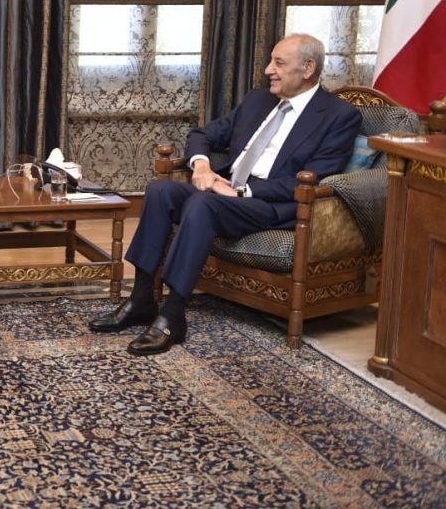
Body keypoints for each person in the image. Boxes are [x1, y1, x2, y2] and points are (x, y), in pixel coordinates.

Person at [89, 33, 361, 354]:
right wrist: (203, 168)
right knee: (160, 190)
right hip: (225, 190)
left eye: (278, 63)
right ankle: (141, 300)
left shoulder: (338, 116)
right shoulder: (259, 100)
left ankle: (173, 314)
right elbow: (202, 134)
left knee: (203, 203)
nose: (268, 70)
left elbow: (314, 179)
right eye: (270, 62)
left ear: (308, 68)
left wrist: (241, 190)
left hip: (269, 204)